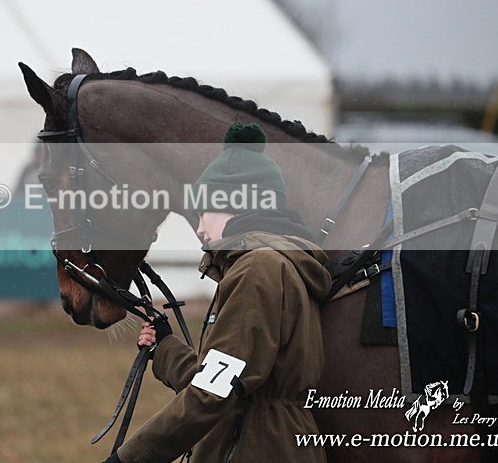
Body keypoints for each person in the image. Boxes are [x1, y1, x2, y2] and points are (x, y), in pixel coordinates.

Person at [108, 123, 332, 463]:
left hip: (253, 450)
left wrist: (129, 458)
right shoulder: (278, 264)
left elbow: (214, 393)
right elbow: (229, 378)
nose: (199, 228)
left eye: (203, 213)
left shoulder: (257, 270)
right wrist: (165, 347)